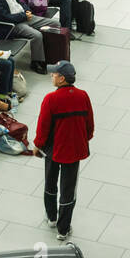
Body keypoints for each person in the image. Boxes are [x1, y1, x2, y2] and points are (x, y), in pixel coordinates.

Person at [33, 61, 92, 241]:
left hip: (53, 150)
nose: (51, 76)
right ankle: (63, 229)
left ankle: (51, 217)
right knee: (68, 189)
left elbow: (43, 127)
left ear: (62, 78)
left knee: (50, 183)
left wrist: (37, 145)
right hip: (74, 151)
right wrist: (83, 139)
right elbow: (89, 125)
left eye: (54, 74)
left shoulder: (51, 99)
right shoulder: (83, 96)